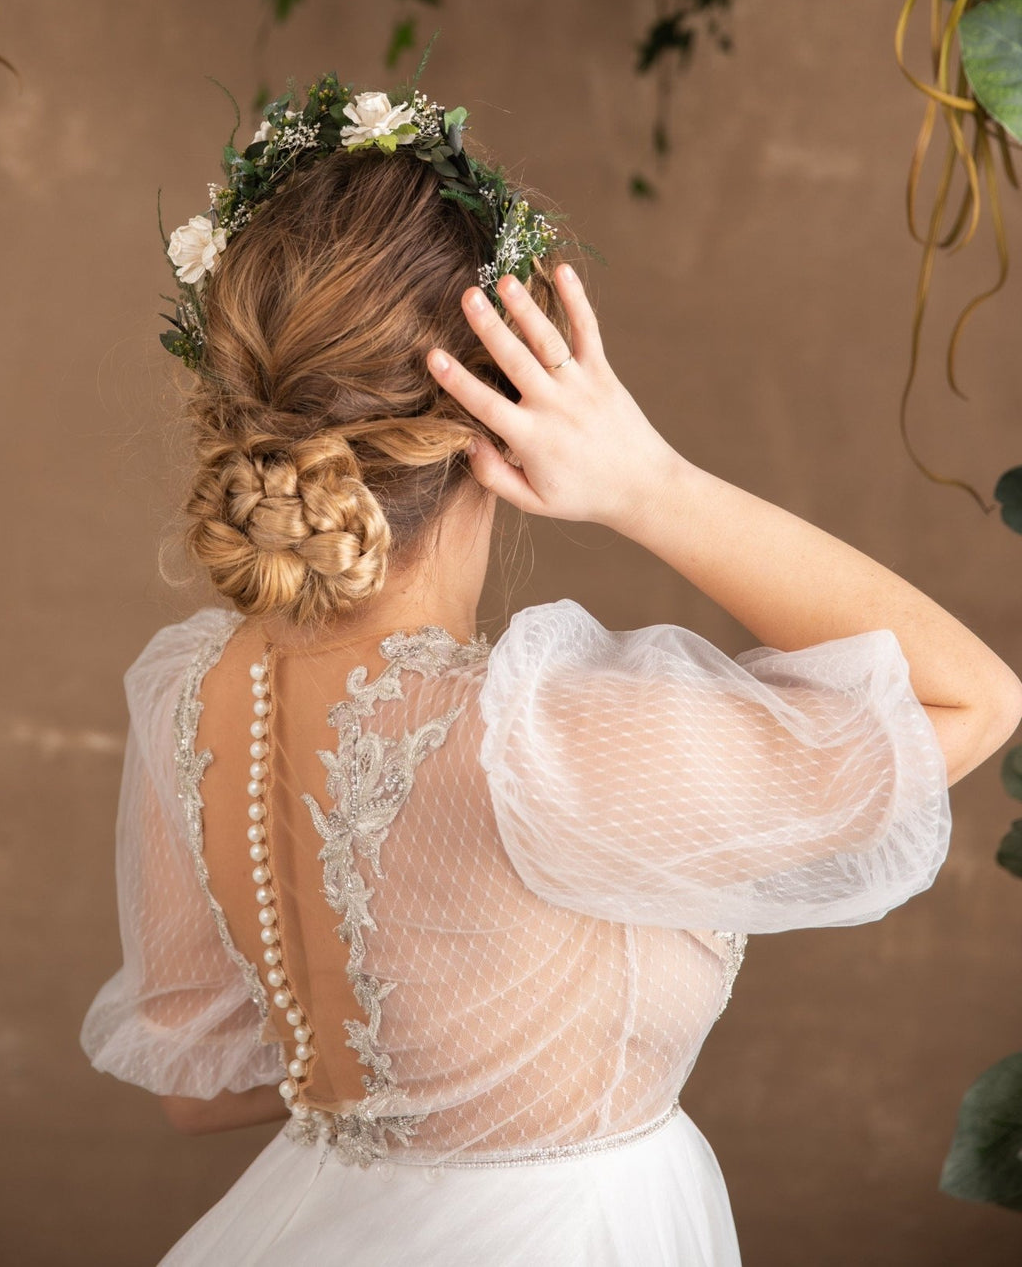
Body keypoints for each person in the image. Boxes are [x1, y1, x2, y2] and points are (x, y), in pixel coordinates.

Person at [80, 75, 1022, 1266]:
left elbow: (199, 1087)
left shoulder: (194, 699)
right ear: (507, 407)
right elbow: (974, 696)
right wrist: (650, 482)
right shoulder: (536, 739)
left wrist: (402, 1079)